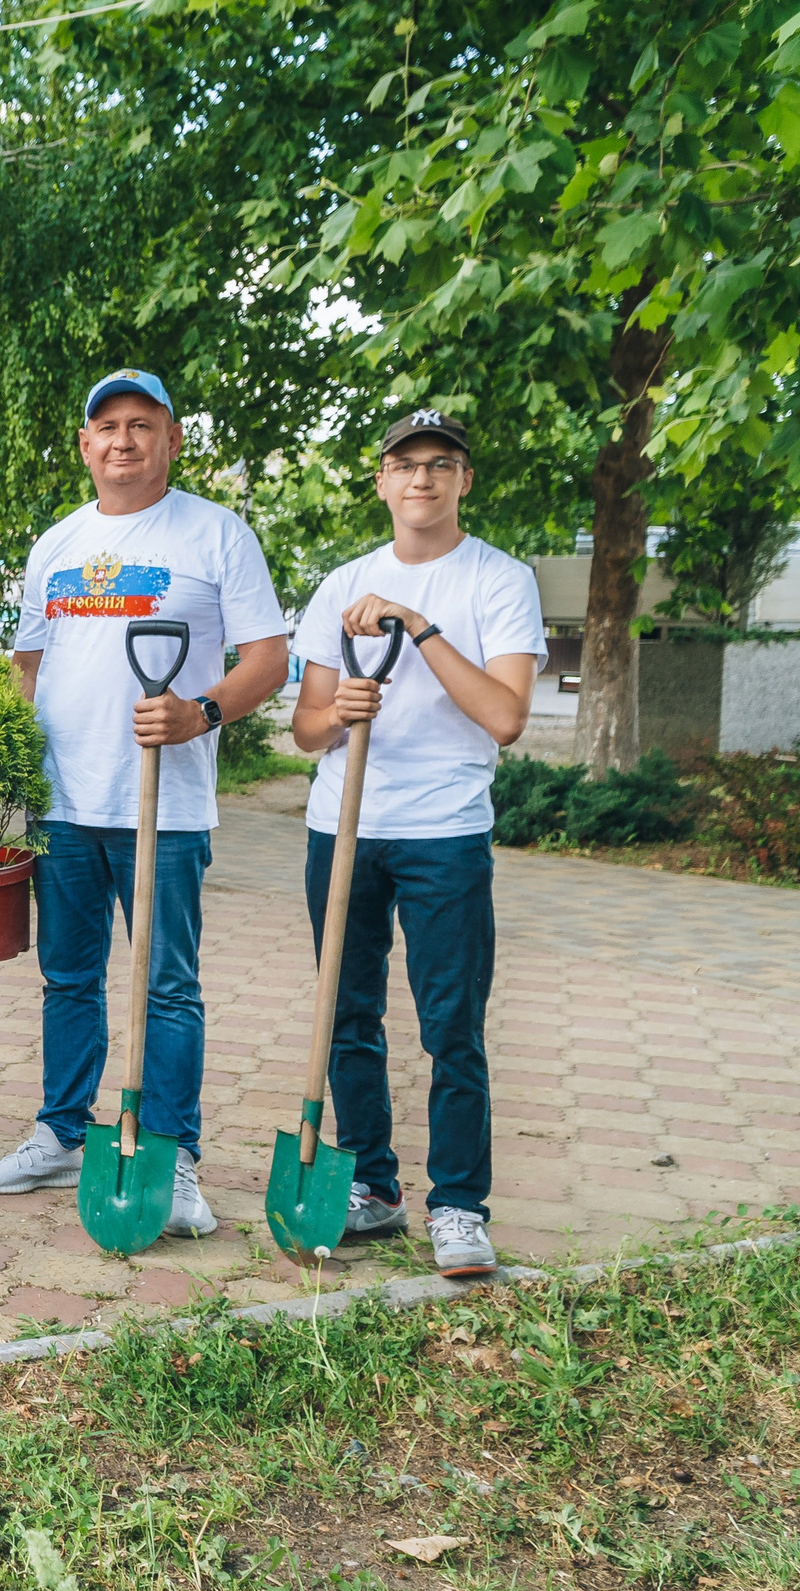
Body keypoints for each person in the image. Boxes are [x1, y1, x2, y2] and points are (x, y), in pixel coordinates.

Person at [0, 368, 289, 1236]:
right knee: (68, 977)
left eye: (141, 424)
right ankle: (63, 1132)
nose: (122, 439)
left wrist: (204, 712)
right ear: (85, 445)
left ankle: (173, 1154)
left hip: (167, 807)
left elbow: (269, 656)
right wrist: (2, 766)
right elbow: (29, 666)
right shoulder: (55, 544)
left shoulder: (217, 534)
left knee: (166, 986)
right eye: (106, 425)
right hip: (66, 801)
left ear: (171, 439)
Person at [289, 409, 542, 1278]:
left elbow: (506, 717)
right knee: (347, 1016)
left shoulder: (499, 580)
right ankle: (372, 1184)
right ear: (382, 480)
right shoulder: (342, 584)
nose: (423, 478)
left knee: (451, 1026)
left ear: (465, 479)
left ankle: (460, 1204)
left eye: (441, 463)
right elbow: (305, 728)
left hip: (445, 833)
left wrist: (418, 627)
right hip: (345, 827)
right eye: (406, 463)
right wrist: (337, 715)